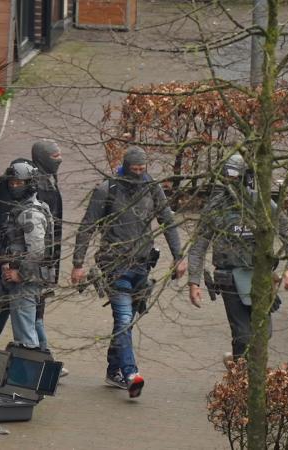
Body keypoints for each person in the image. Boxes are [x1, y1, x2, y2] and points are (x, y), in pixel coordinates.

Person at [70, 145, 186, 398]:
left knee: (126, 323)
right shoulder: (107, 190)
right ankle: (131, 374)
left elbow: (167, 221)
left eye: (143, 168)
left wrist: (179, 257)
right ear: (125, 167)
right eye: (135, 169)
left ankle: (114, 371)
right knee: (124, 319)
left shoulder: (151, 188)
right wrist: (78, 264)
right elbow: (87, 226)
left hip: (142, 265)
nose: (139, 173)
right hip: (114, 266)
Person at [186, 153, 288, 362]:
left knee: (263, 333)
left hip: (259, 277)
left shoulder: (261, 203)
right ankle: (240, 374)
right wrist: (194, 282)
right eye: (228, 177)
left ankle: (238, 363)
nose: (232, 182)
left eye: (236, 176)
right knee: (243, 335)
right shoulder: (216, 207)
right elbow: (198, 246)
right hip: (229, 277)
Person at [0, 140, 63, 353]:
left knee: (26, 328)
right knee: (18, 315)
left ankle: (36, 361)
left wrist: (21, 273)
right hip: (15, 272)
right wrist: (7, 263)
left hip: (25, 277)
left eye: (19, 183)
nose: (15, 187)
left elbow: (36, 250)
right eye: (13, 183)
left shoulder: (32, 211)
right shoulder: (25, 203)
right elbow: (0, 228)